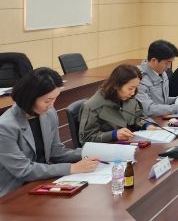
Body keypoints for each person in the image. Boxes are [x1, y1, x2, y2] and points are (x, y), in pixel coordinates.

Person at [0, 68, 99, 197]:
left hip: (42, 182)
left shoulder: (49, 114)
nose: (51, 105)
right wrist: (72, 168)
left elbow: (57, 152)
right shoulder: (5, 126)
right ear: (29, 98)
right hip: (14, 192)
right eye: (47, 101)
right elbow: (23, 170)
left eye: (54, 99)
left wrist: (94, 152)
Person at [79, 64, 160, 144]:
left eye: (136, 87)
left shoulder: (129, 98)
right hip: (107, 148)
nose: (132, 93)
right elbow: (86, 138)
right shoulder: (93, 106)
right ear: (116, 85)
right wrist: (114, 134)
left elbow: (139, 116)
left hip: (129, 144)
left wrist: (147, 125)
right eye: (130, 88)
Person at [137, 40, 178, 116]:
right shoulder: (139, 78)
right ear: (154, 60)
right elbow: (148, 109)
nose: (168, 67)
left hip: (163, 117)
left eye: (171, 62)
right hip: (149, 120)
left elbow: (163, 101)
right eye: (167, 63)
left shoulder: (162, 72)